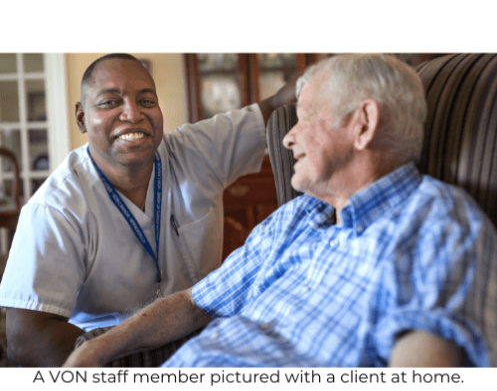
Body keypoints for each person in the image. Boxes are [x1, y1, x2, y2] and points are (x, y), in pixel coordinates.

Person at [64, 53, 497, 368]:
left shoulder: (435, 221)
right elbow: (196, 303)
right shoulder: (297, 217)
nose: (287, 140)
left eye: (305, 116)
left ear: (363, 124)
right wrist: (99, 348)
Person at [0, 53, 297, 367]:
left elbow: (276, 107)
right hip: (111, 353)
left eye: (146, 100)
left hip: (204, 340)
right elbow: (26, 338)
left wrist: (313, 81)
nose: (132, 113)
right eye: (110, 102)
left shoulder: (196, 150)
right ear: (81, 118)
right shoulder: (55, 208)